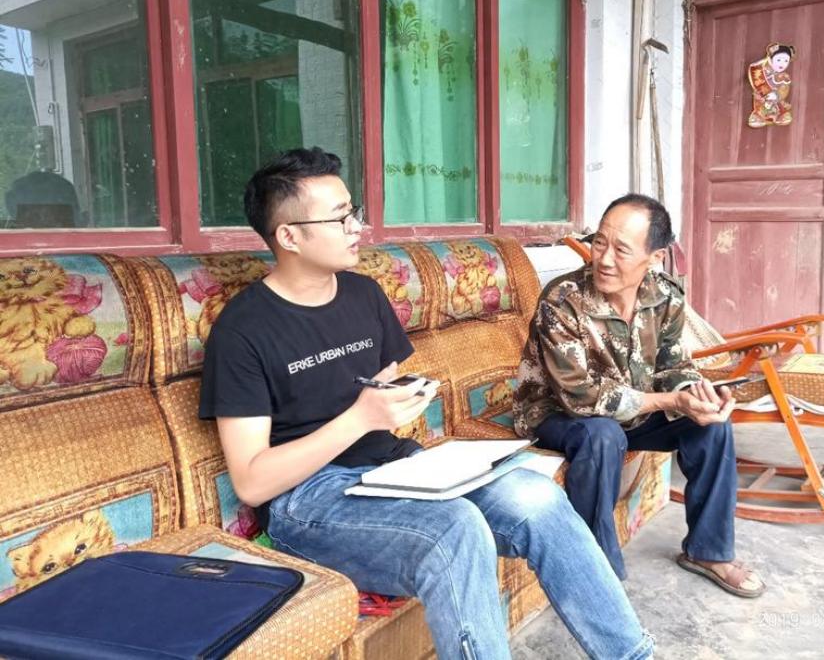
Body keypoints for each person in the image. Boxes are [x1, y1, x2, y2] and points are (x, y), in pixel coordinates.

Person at [199, 148, 654, 660]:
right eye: (340, 217)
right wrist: (359, 418)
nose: (357, 227)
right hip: (308, 502)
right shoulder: (243, 331)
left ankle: (632, 655)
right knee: (455, 529)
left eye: (354, 212)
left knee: (538, 498)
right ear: (289, 236)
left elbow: (381, 384)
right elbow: (252, 481)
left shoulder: (362, 295)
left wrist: (394, 401)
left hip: (396, 469)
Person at [513, 194, 765, 598]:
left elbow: (672, 365)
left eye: (621, 250)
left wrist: (693, 394)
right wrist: (670, 402)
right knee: (601, 435)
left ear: (655, 257)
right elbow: (581, 397)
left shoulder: (665, 296)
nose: (604, 259)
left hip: (632, 410)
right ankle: (596, 570)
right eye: (599, 243)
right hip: (557, 413)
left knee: (711, 427)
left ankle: (708, 552)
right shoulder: (562, 301)